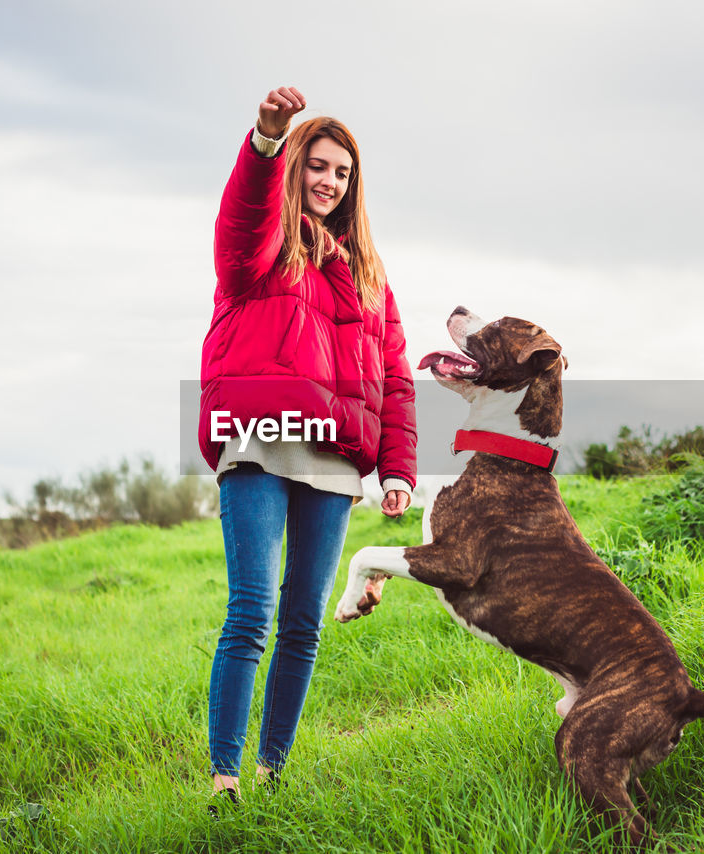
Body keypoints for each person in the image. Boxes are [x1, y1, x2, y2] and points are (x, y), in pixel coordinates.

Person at [197, 85, 417, 805]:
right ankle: (225, 780)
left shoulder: (371, 277)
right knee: (252, 612)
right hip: (259, 443)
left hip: (333, 461)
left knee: (303, 626)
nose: (328, 181)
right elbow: (245, 214)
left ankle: (272, 774)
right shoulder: (259, 252)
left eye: (342, 172)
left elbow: (393, 376)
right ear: (296, 168)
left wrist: (398, 470)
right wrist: (265, 140)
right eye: (316, 166)